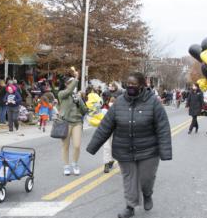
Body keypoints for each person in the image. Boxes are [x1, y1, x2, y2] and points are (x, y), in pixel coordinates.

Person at [87, 72, 172, 218]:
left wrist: (165, 152)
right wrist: (93, 146)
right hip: (124, 149)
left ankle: (147, 194)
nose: (131, 87)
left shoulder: (153, 102)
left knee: (146, 178)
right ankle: (130, 206)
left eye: (134, 84)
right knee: (129, 179)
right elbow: (105, 126)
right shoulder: (119, 102)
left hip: (148, 150)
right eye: (128, 84)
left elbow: (163, 128)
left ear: (142, 86)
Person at [58, 69, 88, 176]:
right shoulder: (62, 94)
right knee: (65, 146)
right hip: (65, 122)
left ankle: (75, 164)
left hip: (77, 122)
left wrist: (82, 102)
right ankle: (66, 166)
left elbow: (84, 110)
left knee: (77, 145)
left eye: (73, 83)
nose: (73, 85)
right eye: (70, 83)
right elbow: (69, 91)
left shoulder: (77, 96)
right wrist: (76, 78)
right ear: (66, 84)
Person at [102, 97, 116, 173]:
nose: (111, 103)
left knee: (113, 146)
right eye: (110, 101)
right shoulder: (104, 109)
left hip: (116, 130)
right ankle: (106, 163)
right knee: (107, 147)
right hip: (106, 130)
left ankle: (111, 160)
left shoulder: (119, 108)